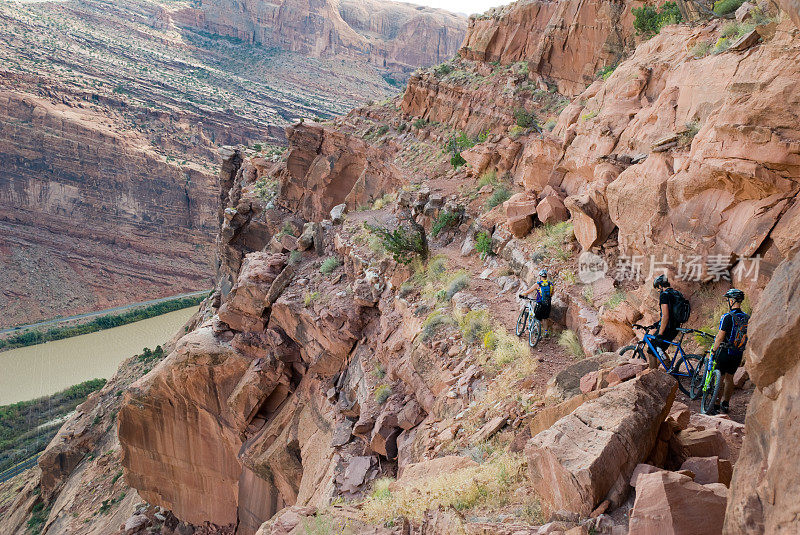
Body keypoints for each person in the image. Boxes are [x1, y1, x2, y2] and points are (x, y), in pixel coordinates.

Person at [709, 289, 749, 415]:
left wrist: (713, 350)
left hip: (725, 352)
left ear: (732, 301)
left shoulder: (727, 317)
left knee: (720, 378)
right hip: (737, 353)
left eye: (728, 300)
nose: (728, 302)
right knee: (730, 378)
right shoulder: (747, 318)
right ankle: (725, 404)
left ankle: (715, 404)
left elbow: (720, 337)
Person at [649, 274, 681, 370]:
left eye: (657, 288)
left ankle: (653, 377)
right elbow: (672, 313)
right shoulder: (676, 293)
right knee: (660, 348)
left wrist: (660, 333)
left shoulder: (664, 295)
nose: (658, 291)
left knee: (651, 351)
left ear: (660, 285)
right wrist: (657, 324)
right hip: (675, 327)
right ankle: (670, 369)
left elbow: (666, 315)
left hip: (667, 328)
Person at [519, 269, 553, 336]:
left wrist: (522, 294)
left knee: (536, 318)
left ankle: (537, 333)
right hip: (548, 304)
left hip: (540, 303)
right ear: (546, 276)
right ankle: (546, 332)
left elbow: (528, 291)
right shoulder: (550, 284)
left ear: (540, 276)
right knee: (545, 318)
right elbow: (551, 294)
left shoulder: (538, 284)